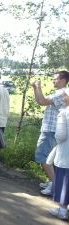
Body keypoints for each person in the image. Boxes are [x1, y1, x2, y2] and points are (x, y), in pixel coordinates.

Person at [32, 70, 69, 195]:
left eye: (55, 78)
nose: (53, 80)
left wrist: (38, 86)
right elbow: (40, 101)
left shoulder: (61, 93)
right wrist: (35, 88)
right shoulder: (60, 93)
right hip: (51, 130)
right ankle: (52, 181)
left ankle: (55, 185)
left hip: (51, 131)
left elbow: (42, 101)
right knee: (48, 158)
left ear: (63, 80)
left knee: (43, 157)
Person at [47, 90, 69, 220]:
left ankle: (62, 210)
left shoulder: (64, 113)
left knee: (65, 181)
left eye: (65, 95)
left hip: (66, 154)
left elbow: (60, 136)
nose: (63, 97)